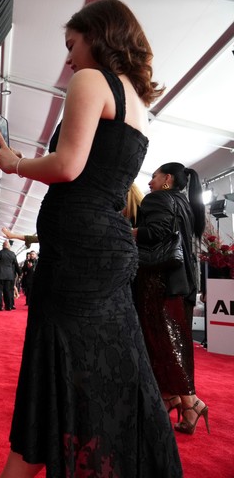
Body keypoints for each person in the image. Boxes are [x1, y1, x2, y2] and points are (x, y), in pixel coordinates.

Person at [0, 0, 182, 476]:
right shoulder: (138, 102)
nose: (69, 59)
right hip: (106, 249)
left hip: (78, 253)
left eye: (71, 45)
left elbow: (68, 165)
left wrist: (15, 163)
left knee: (57, 374)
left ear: (98, 36)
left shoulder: (91, 81)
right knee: (109, 372)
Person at [133, 163, 208, 435]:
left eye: (153, 176)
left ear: (167, 178)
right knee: (177, 343)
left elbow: (157, 232)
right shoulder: (184, 203)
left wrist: (125, 232)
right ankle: (171, 399)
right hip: (183, 282)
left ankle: (190, 401)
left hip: (160, 282)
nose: (150, 181)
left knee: (162, 343)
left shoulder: (158, 198)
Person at [0, 240, 20, 311]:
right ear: (9, 246)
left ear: (3, 246)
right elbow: (16, 264)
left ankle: (0, 306)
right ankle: (8, 306)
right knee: (7, 291)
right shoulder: (13, 254)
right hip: (9, 275)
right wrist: (20, 273)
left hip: (0, 274)